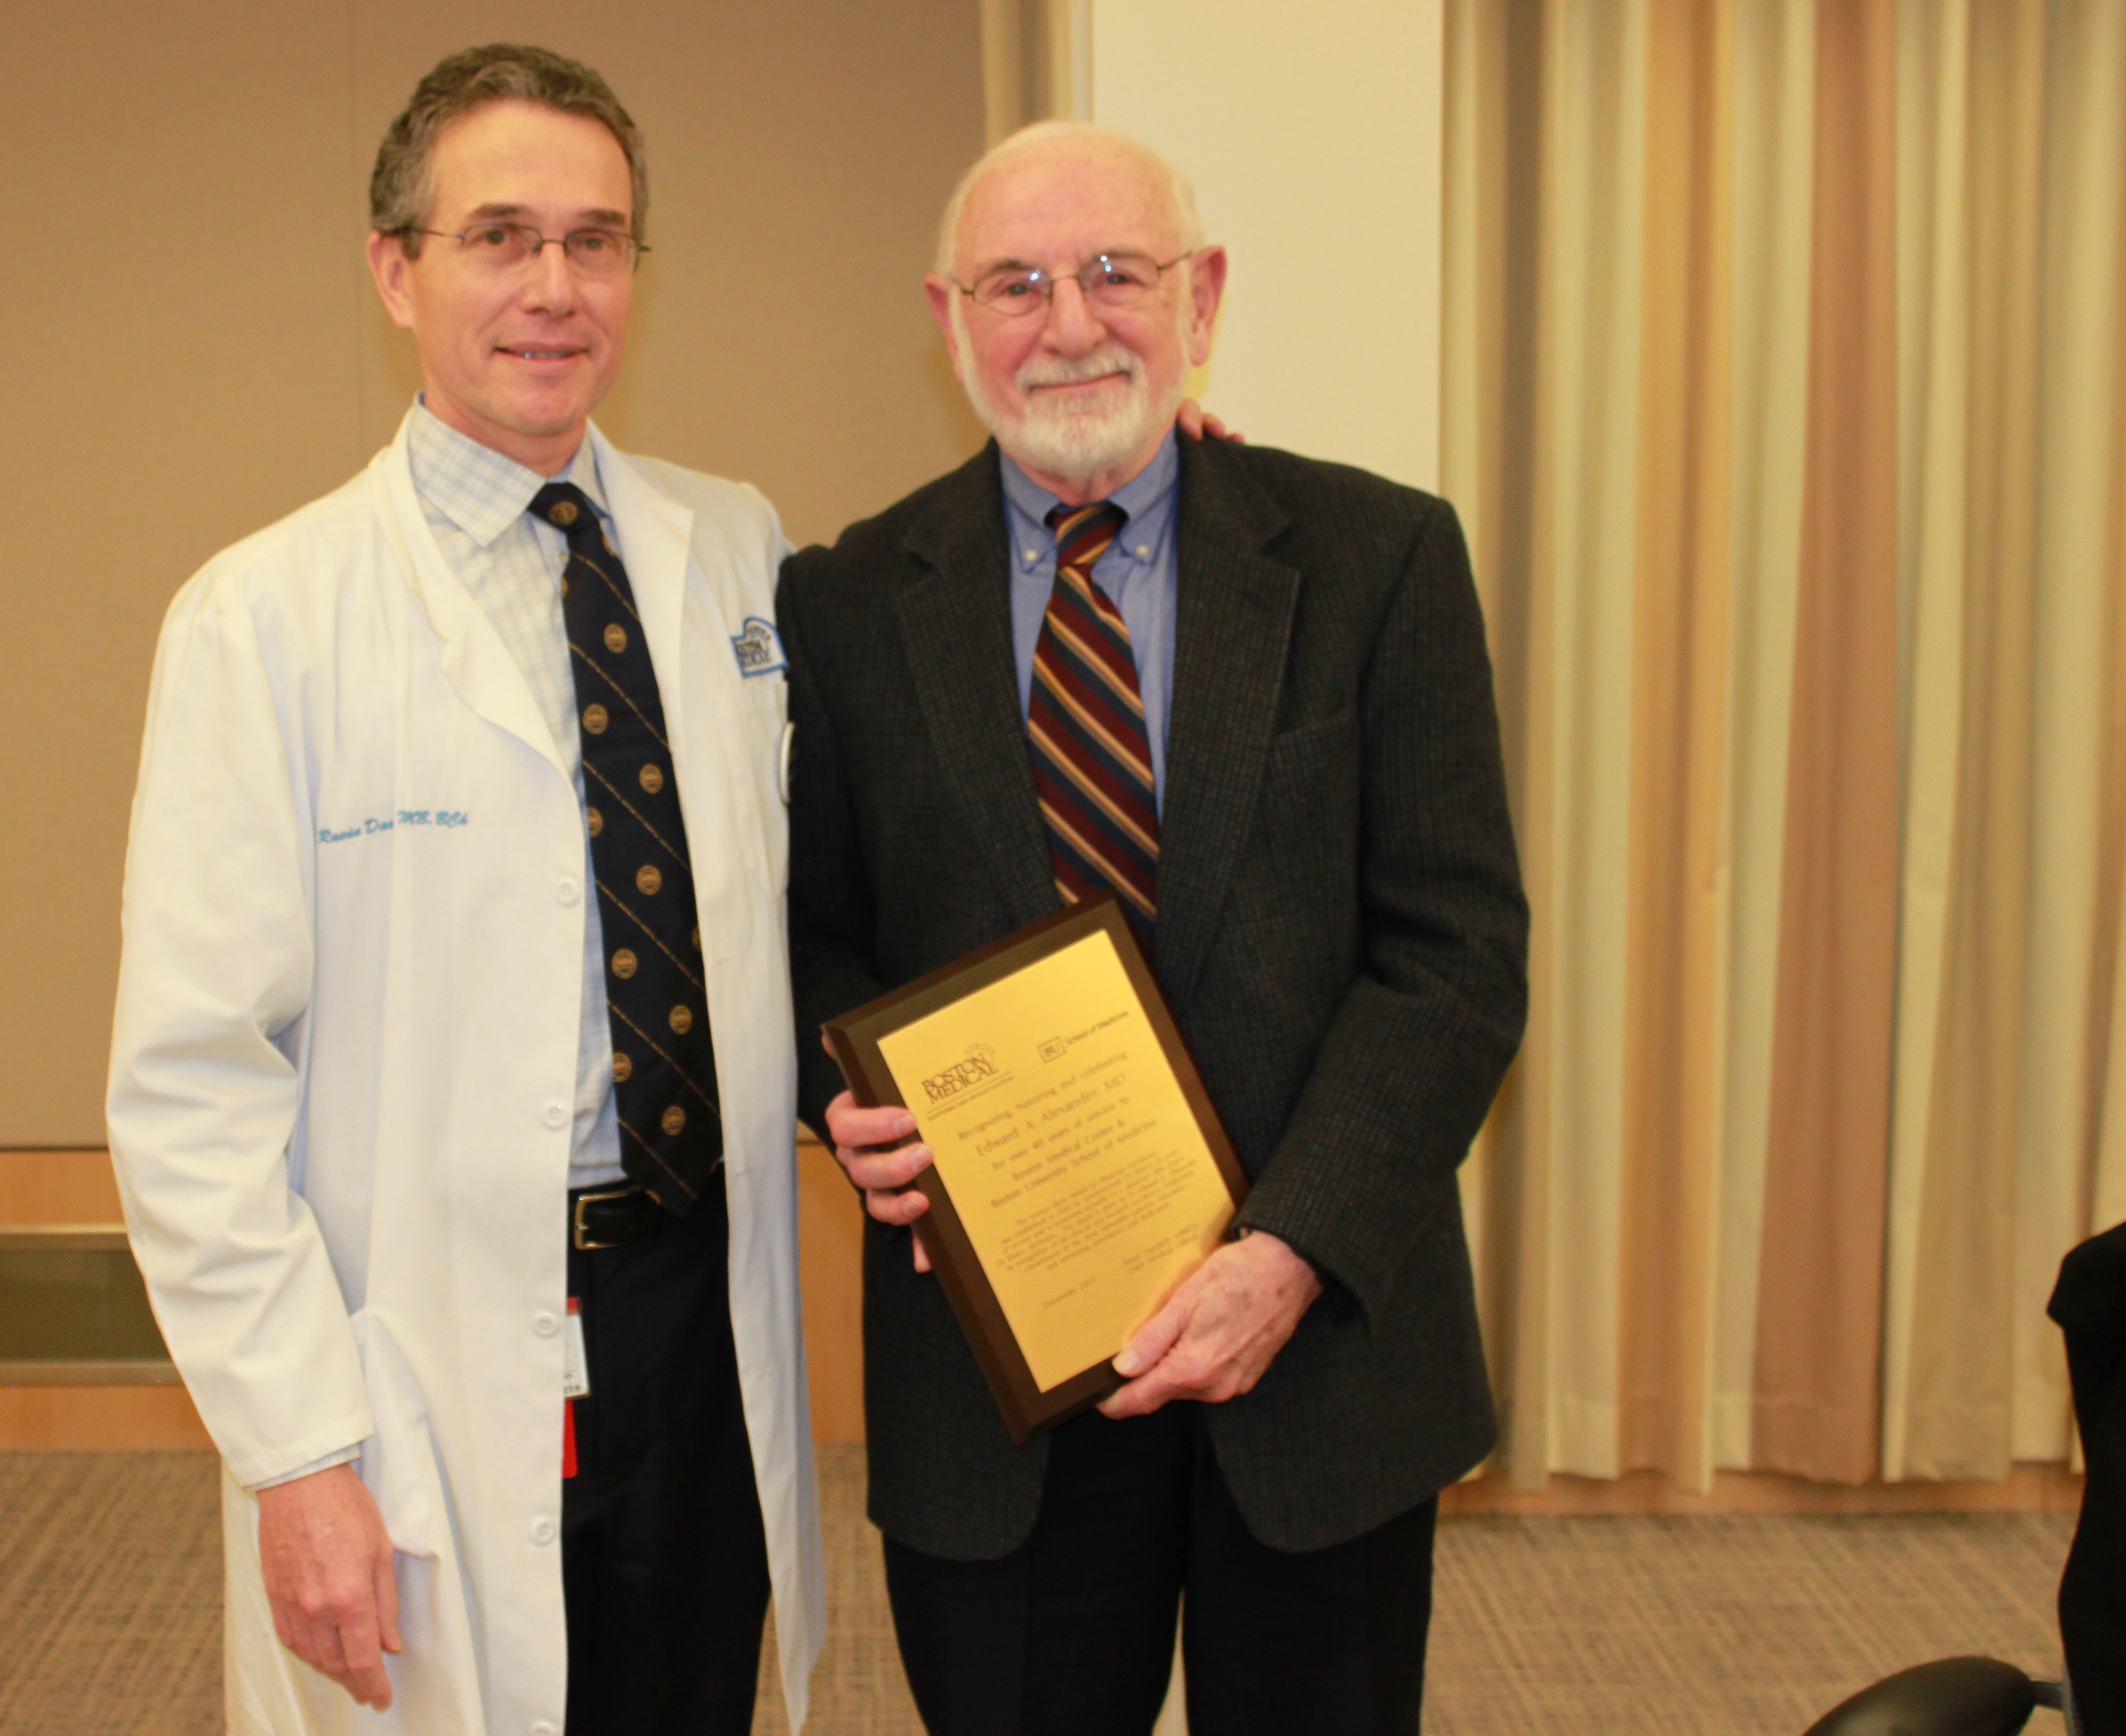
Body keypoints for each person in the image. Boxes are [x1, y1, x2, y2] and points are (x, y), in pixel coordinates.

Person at [778, 122, 1529, 1735]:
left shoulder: (1379, 557)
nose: (1069, 323)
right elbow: (809, 941)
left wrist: (1292, 1251)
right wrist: (840, 1100)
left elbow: (1455, 956)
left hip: (1316, 1368)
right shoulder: (841, 604)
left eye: (1117, 272)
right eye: (1017, 282)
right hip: (1000, 1404)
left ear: (1204, 296)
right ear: (947, 312)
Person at [107, 44, 822, 1736]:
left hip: (702, 1313)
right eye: (501, 237)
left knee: (688, 1699)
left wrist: (1157, 482)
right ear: (395, 271)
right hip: (423, 1334)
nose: (556, 289)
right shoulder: (263, 618)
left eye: (600, 240)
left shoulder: (739, 552)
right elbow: (191, 1086)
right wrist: (297, 1455)